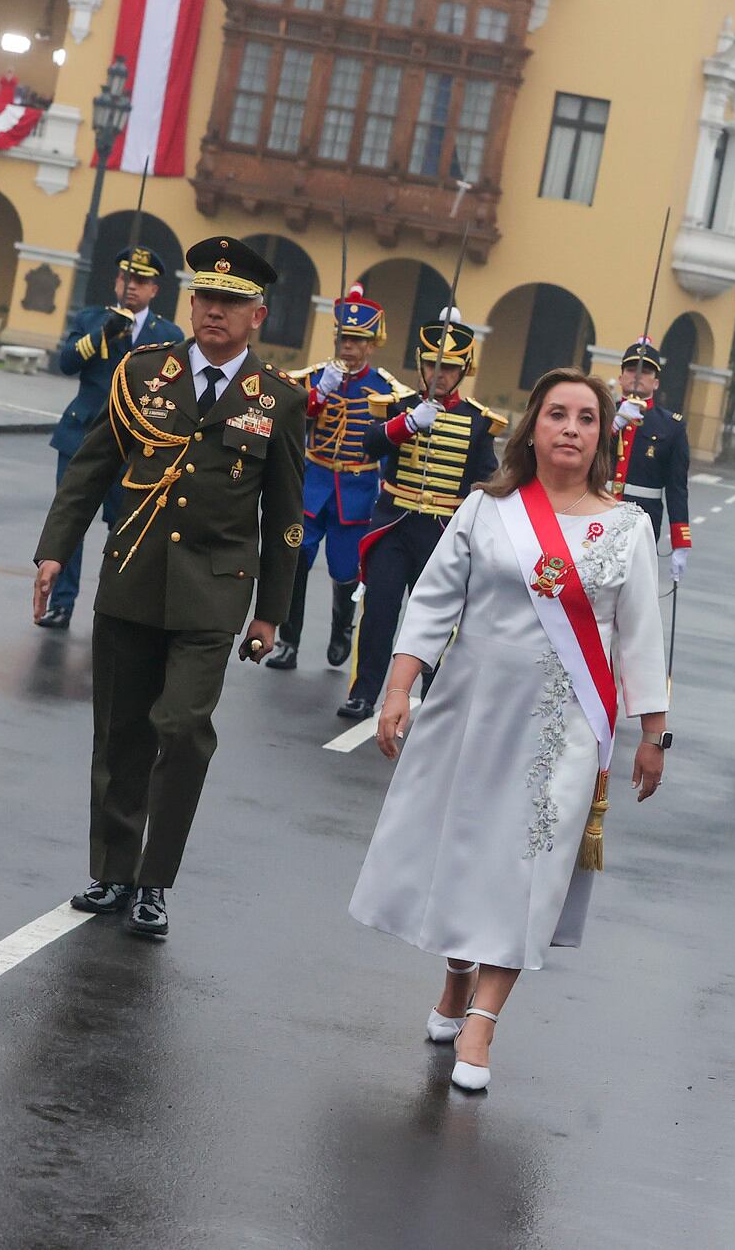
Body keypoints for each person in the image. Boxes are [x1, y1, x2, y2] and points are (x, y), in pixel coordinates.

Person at [349, 368, 669, 1094]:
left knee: (528, 867)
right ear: (533, 426)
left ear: (602, 435)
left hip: (566, 725)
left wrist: (654, 730)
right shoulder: (488, 509)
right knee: (465, 858)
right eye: (557, 413)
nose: (570, 428)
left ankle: (484, 1021)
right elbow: (432, 602)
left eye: (586, 418)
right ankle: (458, 974)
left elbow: (640, 636)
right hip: (471, 711)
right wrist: (398, 686)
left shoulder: (627, 528)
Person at [31, 236, 304, 938]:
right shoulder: (142, 373)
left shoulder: (276, 399)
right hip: (131, 576)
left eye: (232, 301)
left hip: (214, 591)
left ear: (258, 315)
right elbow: (91, 468)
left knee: (180, 729)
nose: (216, 311)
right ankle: (113, 868)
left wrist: (271, 613)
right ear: (192, 303)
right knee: (120, 728)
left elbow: (286, 518)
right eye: (207, 298)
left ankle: (154, 881)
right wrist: (54, 552)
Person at [338, 311, 504, 720]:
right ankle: (364, 692)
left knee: (439, 621)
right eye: (432, 365)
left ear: (463, 369)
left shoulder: (479, 421)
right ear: (420, 363)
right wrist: (407, 423)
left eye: (448, 367)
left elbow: (487, 480)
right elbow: (369, 445)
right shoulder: (396, 406)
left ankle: (435, 698)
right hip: (394, 525)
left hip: (444, 534)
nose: (438, 375)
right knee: (379, 611)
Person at [37, 247, 183, 630]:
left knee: (126, 527)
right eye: (125, 279)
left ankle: (114, 605)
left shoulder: (168, 335)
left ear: (154, 290)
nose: (131, 287)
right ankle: (63, 603)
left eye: (140, 282)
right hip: (81, 437)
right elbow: (66, 363)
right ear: (116, 282)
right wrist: (103, 332)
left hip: (136, 448)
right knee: (71, 522)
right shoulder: (91, 319)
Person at [267, 285, 401, 671]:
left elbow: (393, 442)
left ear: (371, 345)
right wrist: (318, 394)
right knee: (295, 562)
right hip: (313, 485)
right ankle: (288, 642)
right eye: (344, 338)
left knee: (345, 571)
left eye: (358, 340)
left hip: (356, 491)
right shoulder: (314, 378)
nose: (349, 347)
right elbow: (289, 419)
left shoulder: (386, 389)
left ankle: (342, 629)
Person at [609, 338, 692, 578]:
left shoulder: (671, 426)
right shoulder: (600, 413)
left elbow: (677, 488)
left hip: (641, 520)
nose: (637, 376)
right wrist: (613, 424)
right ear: (622, 376)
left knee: (631, 592)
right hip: (596, 512)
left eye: (645, 371)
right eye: (631, 369)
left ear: (655, 382)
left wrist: (680, 542)